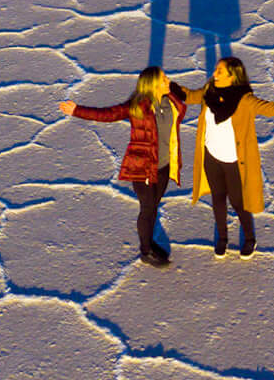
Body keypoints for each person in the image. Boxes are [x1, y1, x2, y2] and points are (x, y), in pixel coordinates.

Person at [178, 57, 274, 257]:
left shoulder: (245, 101)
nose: (215, 74)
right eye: (216, 70)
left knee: (239, 203)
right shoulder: (208, 91)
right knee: (218, 199)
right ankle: (222, 238)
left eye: (220, 71)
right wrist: (168, 86)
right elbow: (189, 96)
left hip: (233, 161)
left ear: (232, 76)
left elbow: (273, 108)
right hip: (211, 157)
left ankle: (249, 238)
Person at [58, 66, 187, 267]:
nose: (167, 80)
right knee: (148, 208)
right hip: (142, 166)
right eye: (163, 78)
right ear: (152, 85)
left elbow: (192, 96)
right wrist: (77, 110)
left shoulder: (172, 100)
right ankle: (146, 251)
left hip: (163, 166)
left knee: (153, 207)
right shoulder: (138, 106)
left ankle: (150, 240)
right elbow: (109, 114)